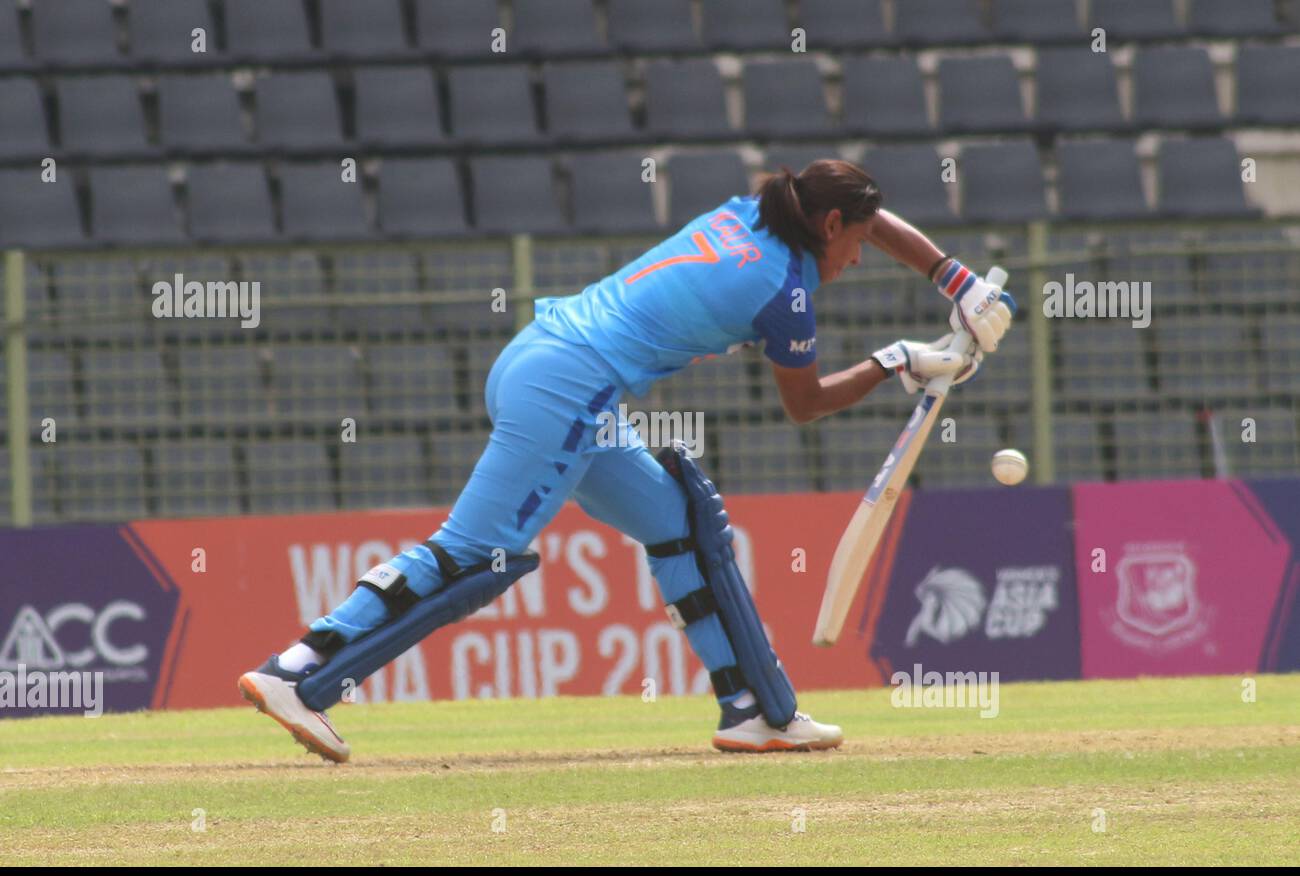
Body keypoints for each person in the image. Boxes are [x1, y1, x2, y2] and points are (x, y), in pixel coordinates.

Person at [238, 159, 1014, 762]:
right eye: (853, 243)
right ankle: (299, 671)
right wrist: (900, 361)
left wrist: (957, 281)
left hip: (543, 359)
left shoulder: (757, 211)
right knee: (477, 554)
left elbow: (874, 223)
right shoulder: (786, 291)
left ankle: (751, 714)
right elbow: (804, 406)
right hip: (570, 385)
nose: (858, 257)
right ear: (829, 223)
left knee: (679, 522)